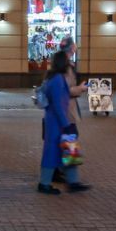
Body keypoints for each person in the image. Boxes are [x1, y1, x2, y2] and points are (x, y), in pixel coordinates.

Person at [37, 49, 89, 195]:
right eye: (67, 61)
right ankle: (44, 184)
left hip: (56, 122)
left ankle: (73, 182)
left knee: (70, 151)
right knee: (55, 152)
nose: (70, 63)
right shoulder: (57, 80)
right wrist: (65, 124)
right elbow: (58, 105)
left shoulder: (53, 78)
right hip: (57, 123)